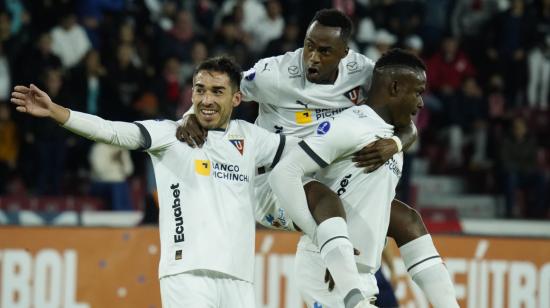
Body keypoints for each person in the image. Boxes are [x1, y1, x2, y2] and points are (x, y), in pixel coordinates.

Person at [178, 9, 457, 308]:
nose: (312, 57)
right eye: (309, 45)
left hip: (322, 174)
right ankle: (351, 293)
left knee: (407, 220)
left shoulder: (362, 72)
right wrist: (190, 115)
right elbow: (223, 92)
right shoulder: (275, 74)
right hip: (274, 185)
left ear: (344, 53)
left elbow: (401, 109)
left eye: (325, 51)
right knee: (325, 199)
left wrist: (395, 142)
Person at [11, 56, 292, 308]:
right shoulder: (171, 135)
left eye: (217, 91)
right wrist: (57, 112)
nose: (206, 100)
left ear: (236, 98)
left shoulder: (251, 138)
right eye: (200, 89)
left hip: (240, 277)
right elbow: (111, 131)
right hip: (186, 274)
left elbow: (307, 152)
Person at [270, 49, 458, 308]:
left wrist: (397, 141)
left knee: (409, 220)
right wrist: (321, 240)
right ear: (394, 87)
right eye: (418, 92)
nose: (421, 103)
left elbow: (373, 204)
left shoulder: (390, 136)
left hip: (364, 275)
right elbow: (284, 173)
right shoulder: (351, 125)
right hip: (328, 272)